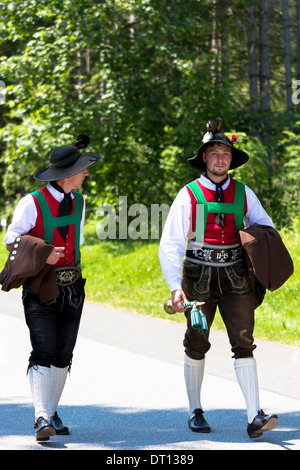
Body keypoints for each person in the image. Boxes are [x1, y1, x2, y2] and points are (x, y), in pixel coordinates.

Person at [159, 118, 279, 439]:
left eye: (225, 152)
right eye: (214, 152)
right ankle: (194, 410)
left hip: (236, 278)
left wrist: (262, 261)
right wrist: (174, 286)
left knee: (244, 340)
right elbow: (170, 244)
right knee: (197, 341)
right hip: (197, 280)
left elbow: (266, 231)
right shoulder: (189, 194)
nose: (220, 158)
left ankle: (254, 415)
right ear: (204, 159)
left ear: (231, 158)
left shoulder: (244, 193)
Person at [2, 135, 102, 441]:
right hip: (41, 286)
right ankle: (41, 417)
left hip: (73, 287)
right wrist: (44, 252)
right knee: (43, 350)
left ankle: (52, 410)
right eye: (83, 169)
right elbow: (11, 239)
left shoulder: (80, 202)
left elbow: (77, 241)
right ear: (67, 175)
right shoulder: (30, 203)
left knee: (63, 353)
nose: (87, 173)